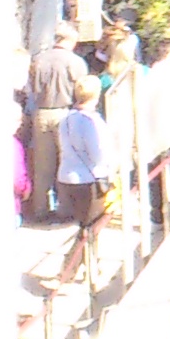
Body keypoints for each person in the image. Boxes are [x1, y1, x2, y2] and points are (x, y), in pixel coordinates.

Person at [25, 25, 92, 223]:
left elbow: (32, 88)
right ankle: (65, 208)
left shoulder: (38, 59)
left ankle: (40, 210)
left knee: (42, 165)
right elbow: (82, 90)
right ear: (71, 40)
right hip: (65, 114)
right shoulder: (76, 62)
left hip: (41, 112)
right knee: (66, 161)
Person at [54, 84, 116, 278]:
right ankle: (67, 271)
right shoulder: (91, 121)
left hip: (67, 176)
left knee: (87, 224)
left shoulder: (65, 119)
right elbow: (98, 154)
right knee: (93, 226)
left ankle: (92, 266)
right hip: (89, 179)